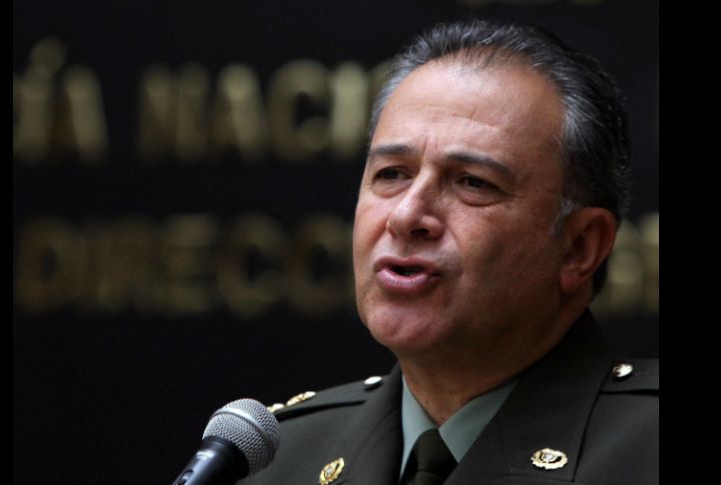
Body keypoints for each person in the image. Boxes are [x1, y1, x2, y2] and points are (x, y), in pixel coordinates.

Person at [239, 18, 658, 485]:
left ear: (579, 247)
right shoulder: (273, 461)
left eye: (473, 183)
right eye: (391, 174)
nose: (406, 215)